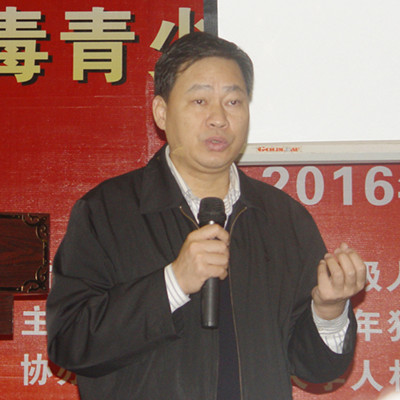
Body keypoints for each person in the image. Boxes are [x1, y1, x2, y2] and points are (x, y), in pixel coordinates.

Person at [46, 32, 366, 400]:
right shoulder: (107, 211)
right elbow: (69, 342)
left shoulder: (284, 219)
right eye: (200, 101)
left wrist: (328, 309)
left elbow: (316, 368)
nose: (218, 119)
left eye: (233, 101)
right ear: (161, 112)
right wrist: (173, 283)